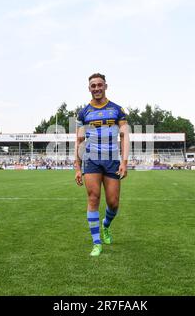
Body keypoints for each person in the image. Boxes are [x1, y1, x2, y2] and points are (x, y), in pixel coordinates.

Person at [74, 73, 130, 257]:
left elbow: (124, 136)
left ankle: (106, 226)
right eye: (93, 86)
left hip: (112, 159)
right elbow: (79, 140)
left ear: (106, 86)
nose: (96, 88)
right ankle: (96, 242)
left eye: (99, 85)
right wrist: (77, 167)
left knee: (113, 203)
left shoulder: (117, 109)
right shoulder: (84, 113)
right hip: (91, 159)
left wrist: (124, 161)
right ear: (89, 88)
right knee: (93, 198)